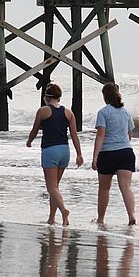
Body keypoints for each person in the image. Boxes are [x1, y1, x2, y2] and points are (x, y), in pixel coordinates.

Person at [26, 83, 84, 225]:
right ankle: (52, 218)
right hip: (65, 150)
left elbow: (34, 130)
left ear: (47, 97)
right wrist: (79, 154)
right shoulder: (68, 113)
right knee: (55, 187)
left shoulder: (43, 111)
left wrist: (29, 141)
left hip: (50, 151)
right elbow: (74, 135)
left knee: (51, 187)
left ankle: (64, 210)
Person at [91, 82, 136, 225]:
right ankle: (131, 216)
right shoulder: (126, 112)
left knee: (104, 188)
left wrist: (95, 157)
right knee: (126, 186)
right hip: (126, 152)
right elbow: (130, 134)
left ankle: (101, 219)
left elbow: (100, 136)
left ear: (105, 97)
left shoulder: (103, 112)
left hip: (108, 153)